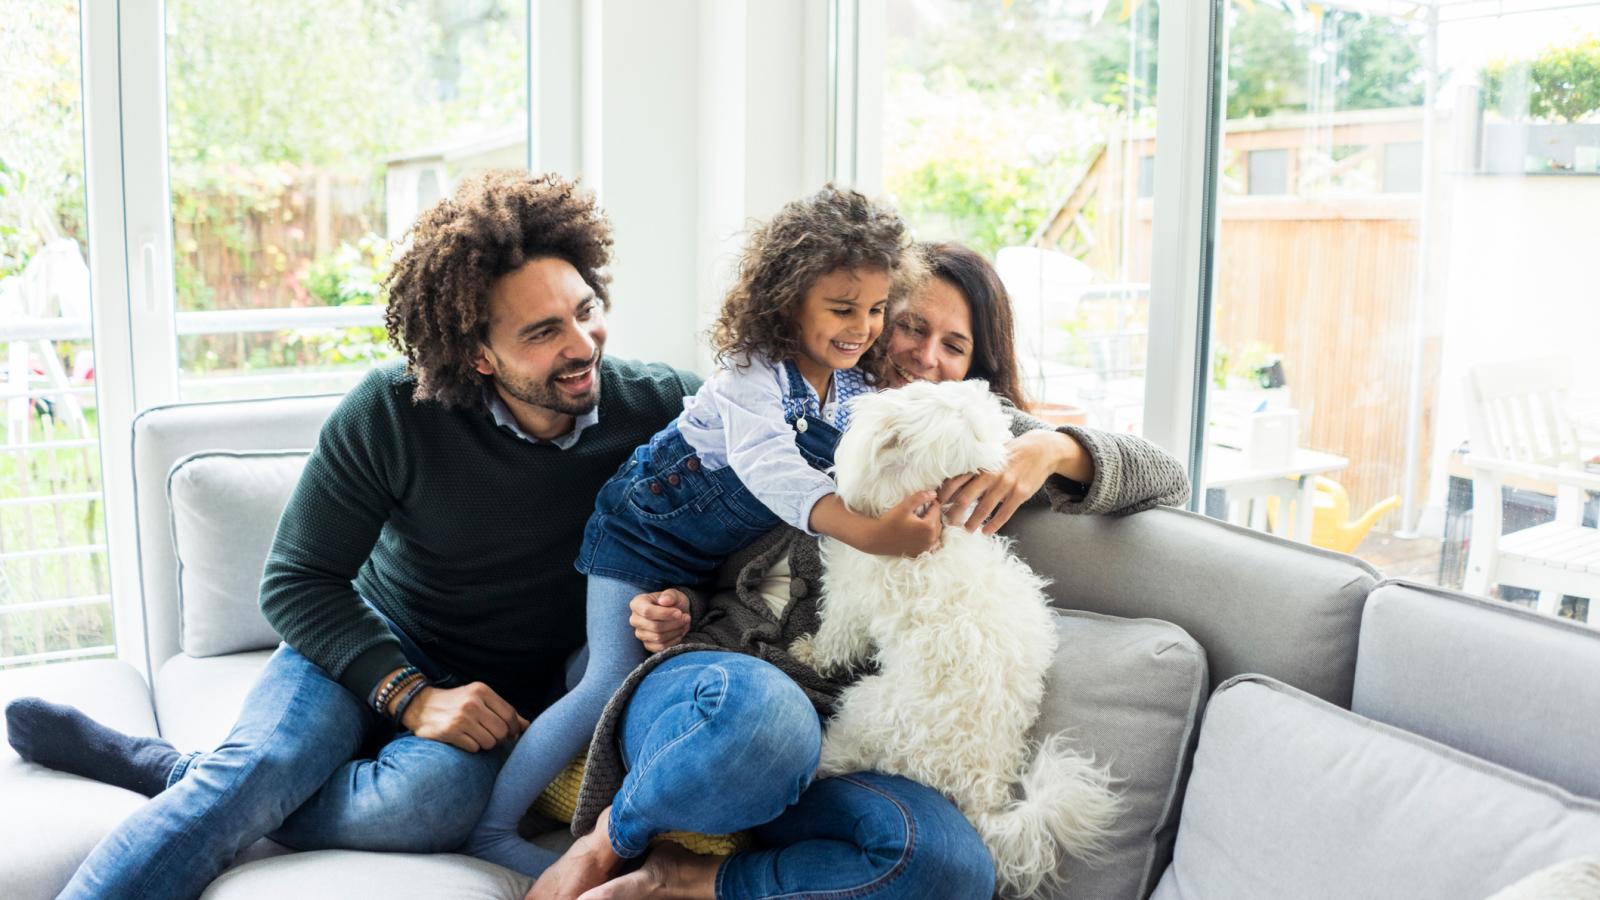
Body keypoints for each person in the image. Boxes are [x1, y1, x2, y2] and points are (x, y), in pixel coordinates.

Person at [2, 170, 704, 900]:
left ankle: (191, 773)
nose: (582, 343)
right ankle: (228, 779)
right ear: (478, 355)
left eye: (585, 310)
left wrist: (678, 596)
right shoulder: (393, 411)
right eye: (542, 332)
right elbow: (295, 582)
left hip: (500, 695)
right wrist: (409, 695)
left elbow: (726, 540)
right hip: (366, 649)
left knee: (437, 804)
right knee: (266, 766)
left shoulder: (660, 408)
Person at [527, 240, 1191, 900]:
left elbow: (1169, 478)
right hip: (720, 692)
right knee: (761, 720)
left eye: (954, 345)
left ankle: (692, 879)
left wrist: (1052, 447)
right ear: (870, 323)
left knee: (953, 867)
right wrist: (679, 608)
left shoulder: (962, 439)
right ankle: (609, 839)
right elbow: (692, 541)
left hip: (835, 751)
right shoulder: (791, 403)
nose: (927, 357)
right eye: (910, 326)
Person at [464, 185, 940, 876]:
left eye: (874, 309)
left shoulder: (855, 390)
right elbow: (772, 470)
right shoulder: (752, 373)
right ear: (787, 302)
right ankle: (491, 826)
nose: (862, 326)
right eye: (842, 309)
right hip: (642, 533)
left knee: (614, 658)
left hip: (700, 563)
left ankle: (583, 674)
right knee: (605, 681)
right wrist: (871, 533)